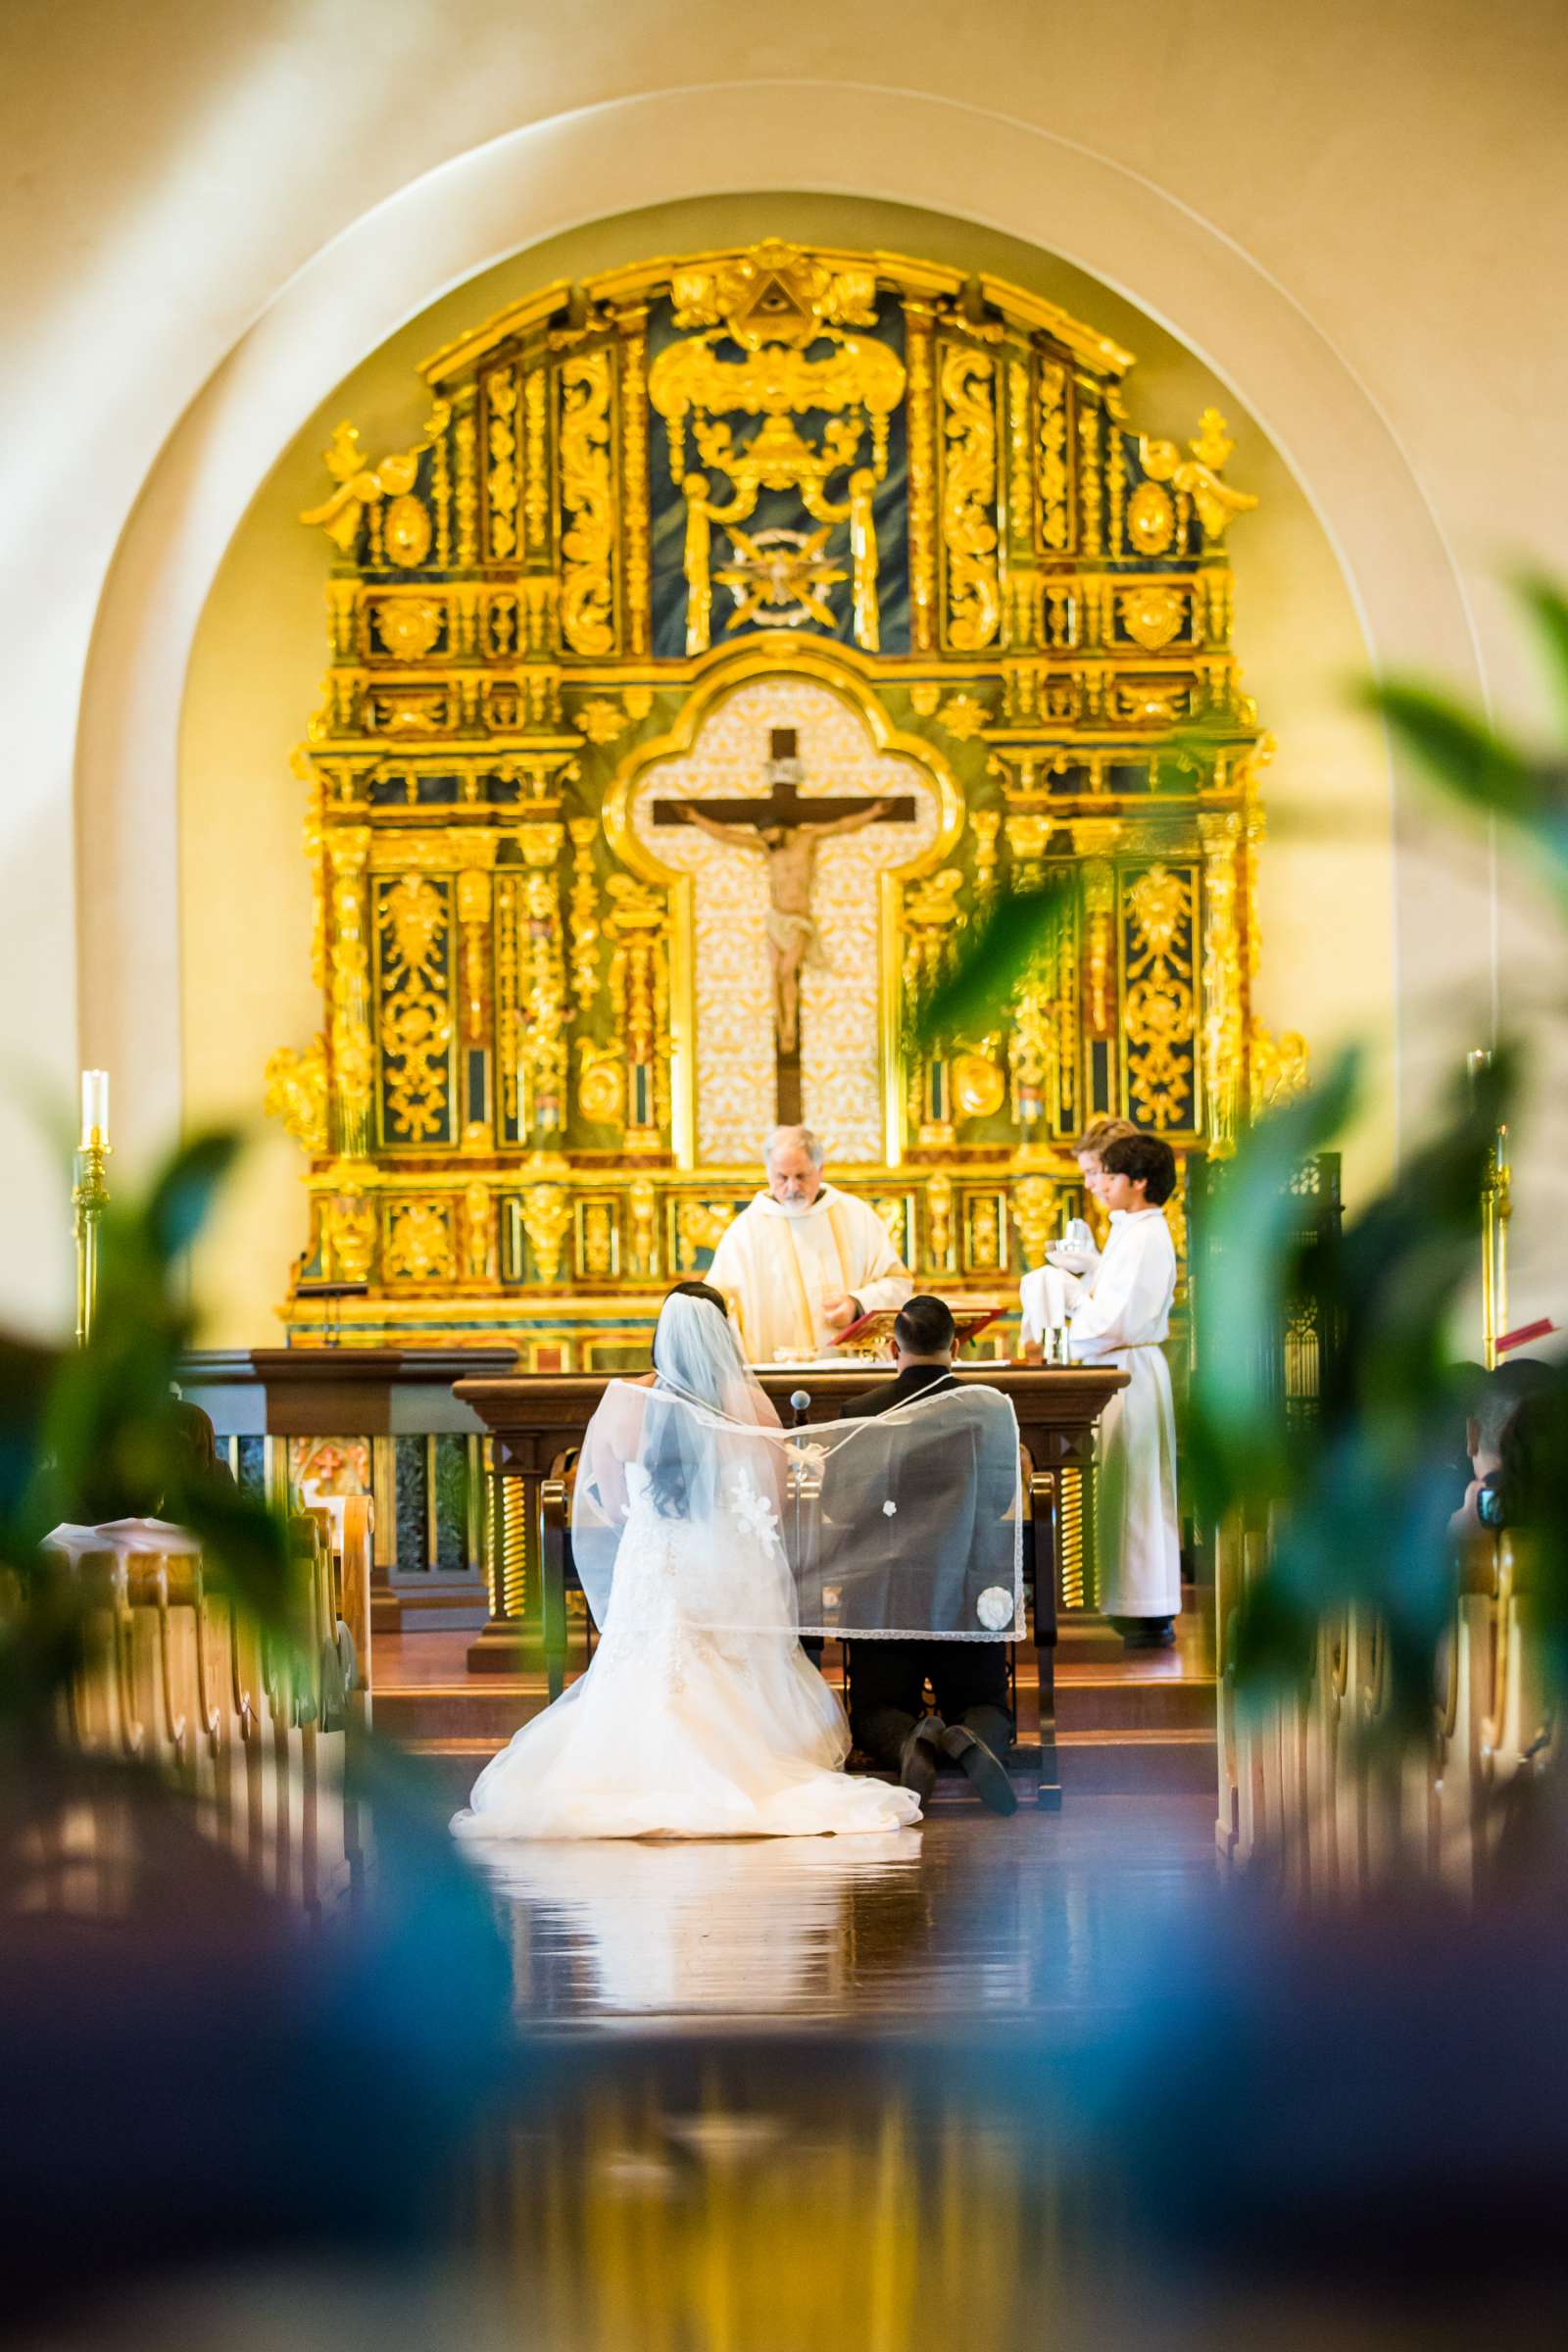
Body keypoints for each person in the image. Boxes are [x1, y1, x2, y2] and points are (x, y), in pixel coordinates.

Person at [452, 1284, 921, 1841]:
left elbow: (604, 1499)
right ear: (721, 1335)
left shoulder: (625, 1402)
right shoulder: (746, 1405)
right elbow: (774, 1503)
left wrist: (654, 1531)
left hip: (653, 1565)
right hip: (722, 1566)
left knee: (643, 1667)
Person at [837, 1295, 1019, 1814]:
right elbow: (1000, 1499)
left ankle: (907, 1742)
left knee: (876, 1709)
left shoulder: (860, 1412)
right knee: (987, 1704)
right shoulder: (990, 1409)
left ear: (892, 1347)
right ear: (955, 1347)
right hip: (968, 1588)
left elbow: (839, 1506)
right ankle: (970, 1736)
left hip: (885, 1596)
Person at [1066, 1132, 1182, 1649]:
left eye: (1111, 1175)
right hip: (1122, 1366)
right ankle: (1129, 1601)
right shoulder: (1130, 1230)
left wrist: (1068, 1300)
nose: (1101, 1184)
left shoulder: (1145, 1235)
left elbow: (1114, 1319)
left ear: (1139, 1182)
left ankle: (1145, 1608)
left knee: (1137, 1486)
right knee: (1127, 1484)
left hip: (1127, 1367)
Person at [706, 1125, 912, 1360]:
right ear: (768, 1173)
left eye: (801, 1176)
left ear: (820, 1170)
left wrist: (858, 1305)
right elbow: (719, 1309)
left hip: (853, 1375)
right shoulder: (745, 1233)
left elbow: (897, 1282)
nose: (792, 1187)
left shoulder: (856, 1217)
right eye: (782, 1178)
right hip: (778, 1378)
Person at [1018, 1116, 1139, 1360]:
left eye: (1093, 1172)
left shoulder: (1140, 1230)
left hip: (1127, 1362)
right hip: (1109, 1357)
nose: (1088, 1184)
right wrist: (1095, 1266)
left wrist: (1076, 1298)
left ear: (1118, 1169)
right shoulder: (1123, 1224)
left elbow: (1119, 1318)